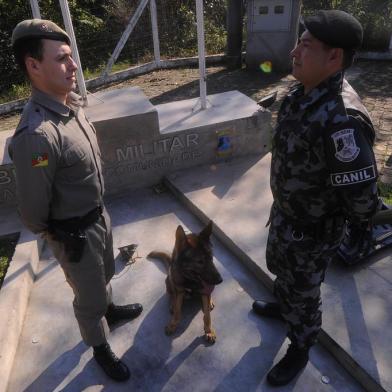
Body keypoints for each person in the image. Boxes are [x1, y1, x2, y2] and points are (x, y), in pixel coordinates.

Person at [9, 19, 143, 382]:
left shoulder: (71, 106)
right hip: (74, 236)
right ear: (34, 66)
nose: (74, 67)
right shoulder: (37, 136)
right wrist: (61, 236)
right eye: (63, 59)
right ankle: (99, 347)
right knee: (88, 300)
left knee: (106, 275)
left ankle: (110, 311)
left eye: (72, 58)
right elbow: (34, 211)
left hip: (98, 218)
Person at [252, 10, 380, 386]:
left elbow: (361, 203)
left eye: (305, 45)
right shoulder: (300, 92)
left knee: (304, 294)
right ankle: (285, 306)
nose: (294, 51)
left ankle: (300, 344)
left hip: (311, 232)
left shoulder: (343, 121)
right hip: (287, 217)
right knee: (282, 273)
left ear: (334, 57)